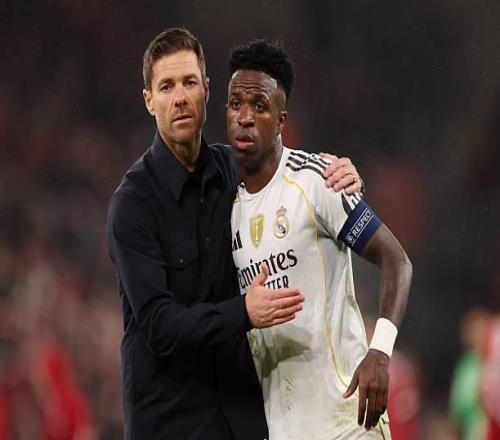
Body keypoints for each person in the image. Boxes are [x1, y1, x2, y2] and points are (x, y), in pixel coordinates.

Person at [107, 28, 363, 440]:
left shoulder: (235, 170)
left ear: (207, 91)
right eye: (167, 86)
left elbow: (296, 175)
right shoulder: (133, 204)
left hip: (242, 421)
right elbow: (157, 325)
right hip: (172, 424)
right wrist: (243, 312)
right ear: (149, 100)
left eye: (189, 82)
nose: (180, 97)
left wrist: (340, 177)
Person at [228, 39, 413, 439]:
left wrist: (380, 351)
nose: (244, 117)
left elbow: (396, 260)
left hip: (348, 423)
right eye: (235, 104)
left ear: (281, 121)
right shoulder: (226, 207)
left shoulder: (318, 181)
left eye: (259, 106)